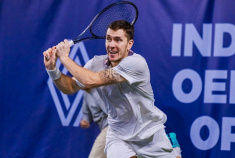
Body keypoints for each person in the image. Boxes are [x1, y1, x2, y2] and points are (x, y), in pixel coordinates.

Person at [44, 20, 181, 158]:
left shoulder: (137, 63)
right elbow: (69, 87)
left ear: (129, 44)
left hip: (149, 134)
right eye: (108, 39)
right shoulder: (95, 64)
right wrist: (52, 70)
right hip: (118, 135)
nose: (111, 45)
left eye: (118, 40)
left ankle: (174, 150)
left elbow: (91, 80)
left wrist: (64, 58)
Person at [80, 90, 108, 158]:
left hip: (112, 128)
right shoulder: (86, 94)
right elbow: (86, 114)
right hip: (105, 128)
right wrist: (85, 121)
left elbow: (111, 113)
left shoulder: (101, 91)